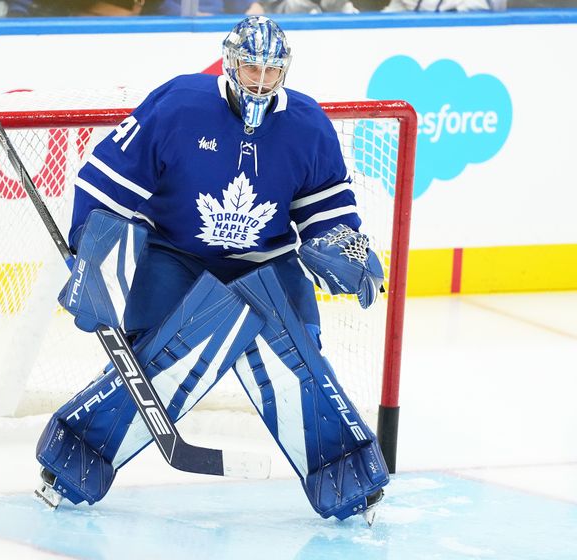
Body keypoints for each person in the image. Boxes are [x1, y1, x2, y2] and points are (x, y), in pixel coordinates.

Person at [35, 15, 389, 522]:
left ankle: (346, 474)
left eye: (271, 71)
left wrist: (342, 244)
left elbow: (325, 213)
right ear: (230, 62)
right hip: (176, 255)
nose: (261, 81)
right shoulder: (179, 105)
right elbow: (105, 184)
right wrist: (89, 258)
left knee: (302, 359)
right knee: (151, 363)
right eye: (252, 67)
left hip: (267, 261)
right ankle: (73, 461)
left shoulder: (307, 125)